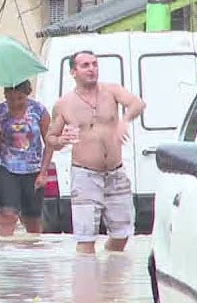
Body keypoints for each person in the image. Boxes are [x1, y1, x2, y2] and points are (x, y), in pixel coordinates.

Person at [46, 50, 146, 254]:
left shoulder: (112, 91)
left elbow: (137, 103)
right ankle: (87, 282)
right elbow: (50, 138)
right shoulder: (64, 104)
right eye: (85, 65)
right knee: (85, 239)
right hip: (85, 175)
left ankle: (110, 278)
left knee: (121, 236)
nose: (92, 69)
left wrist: (124, 122)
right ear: (74, 72)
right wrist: (61, 140)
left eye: (94, 64)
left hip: (115, 172)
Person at [0, 80, 51, 238]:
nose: (15, 103)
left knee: (33, 220)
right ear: (5, 96)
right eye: (10, 99)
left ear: (27, 94)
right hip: (6, 168)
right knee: (8, 215)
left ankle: (32, 257)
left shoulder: (39, 111)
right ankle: (4, 255)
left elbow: (49, 143)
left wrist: (44, 172)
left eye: (19, 98)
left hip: (33, 170)